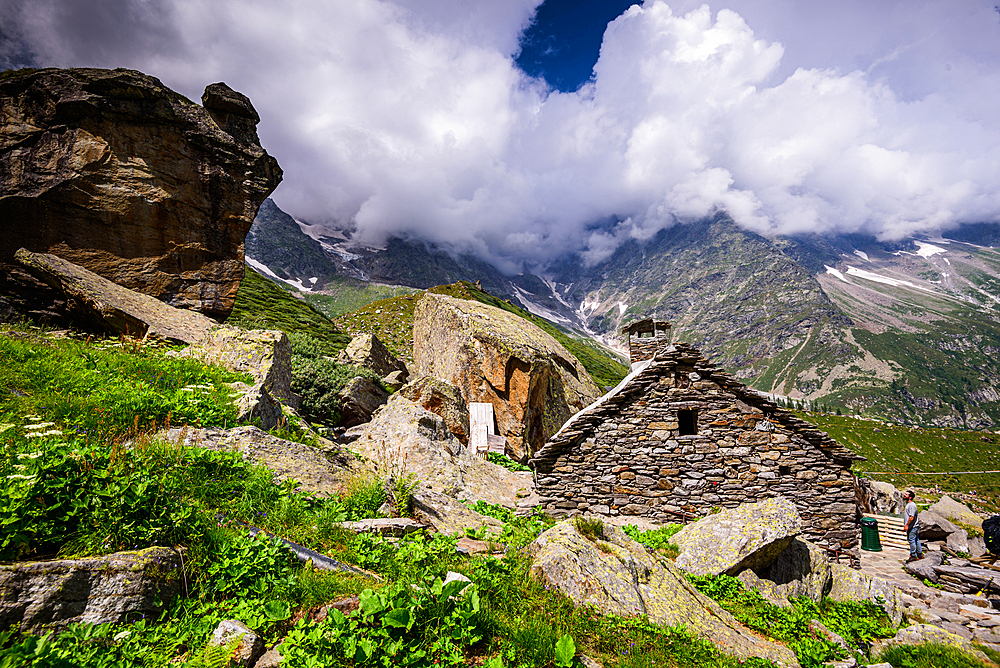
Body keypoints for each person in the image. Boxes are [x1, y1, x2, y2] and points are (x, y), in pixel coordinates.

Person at [903, 490, 922, 562]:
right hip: (913, 526)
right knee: (916, 539)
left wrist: (907, 525)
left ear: (910, 497)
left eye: (906, 494)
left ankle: (913, 555)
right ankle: (919, 554)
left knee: (911, 540)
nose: (904, 495)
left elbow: (911, 517)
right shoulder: (909, 504)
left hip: (912, 526)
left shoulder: (911, 505)